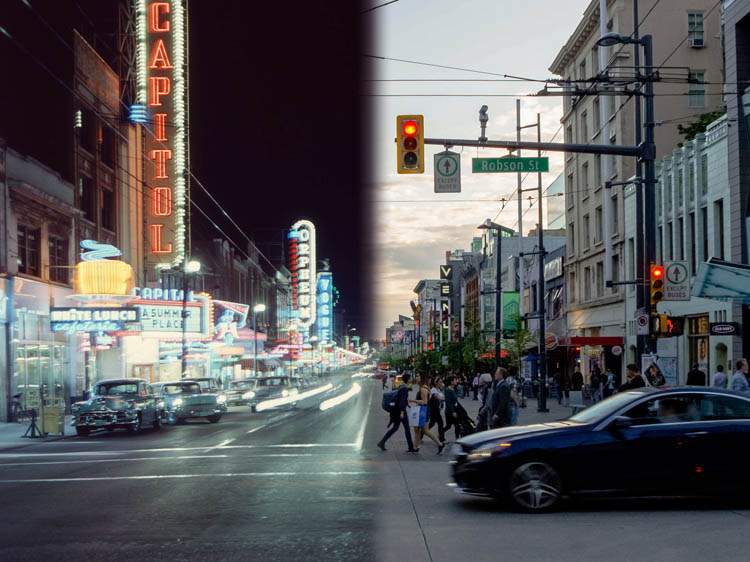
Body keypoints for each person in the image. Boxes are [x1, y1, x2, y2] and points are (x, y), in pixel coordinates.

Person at [377, 373, 416, 452]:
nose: (411, 379)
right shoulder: (405, 388)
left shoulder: (402, 386)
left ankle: (382, 442)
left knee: (395, 428)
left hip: (397, 410)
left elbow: (401, 399)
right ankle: (411, 447)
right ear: (408, 379)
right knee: (407, 429)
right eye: (410, 378)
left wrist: (407, 404)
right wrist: (402, 412)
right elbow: (401, 401)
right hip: (400, 411)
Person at [412, 375, 445, 454]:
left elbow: (425, 402)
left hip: (423, 410)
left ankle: (440, 445)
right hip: (423, 410)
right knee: (417, 430)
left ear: (421, 379)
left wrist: (413, 400)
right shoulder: (424, 387)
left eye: (418, 376)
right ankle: (415, 447)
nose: (416, 378)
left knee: (424, 430)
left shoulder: (423, 389)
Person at [443, 375, 461, 440]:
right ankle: (440, 434)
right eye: (455, 380)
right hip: (449, 411)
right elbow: (448, 402)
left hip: (455, 410)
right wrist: (452, 411)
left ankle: (457, 438)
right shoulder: (447, 390)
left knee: (457, 425)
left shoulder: (454, 389)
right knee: (448, 426)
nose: (456, 381)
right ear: (451, 382)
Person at [428, 377, 445, 442]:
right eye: (440, 382)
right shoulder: (433, 390)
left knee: (432, 423)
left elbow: (443, 397)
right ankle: (441, 438)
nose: (441, 383)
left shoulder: (439, 390)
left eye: (441, 382)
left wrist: (442, 397)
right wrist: (442, 397)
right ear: (436, 383)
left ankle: (422, 433)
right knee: (440, 423)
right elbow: (439, 397)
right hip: (434, 410)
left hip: (437, 409)